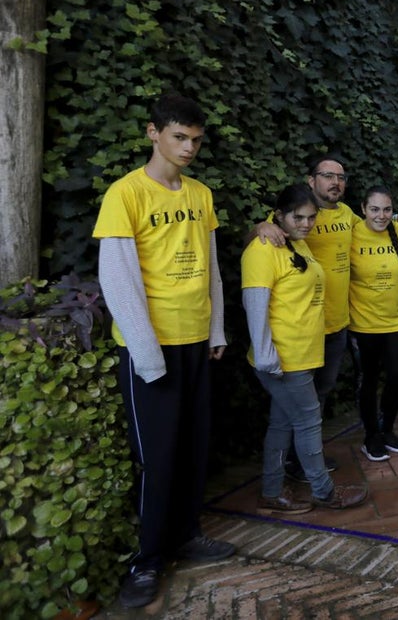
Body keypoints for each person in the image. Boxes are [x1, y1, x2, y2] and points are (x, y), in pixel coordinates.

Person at [93, 93, 235, 609]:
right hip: (153, 349)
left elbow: (210, 265)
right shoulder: (125, 194)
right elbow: (118, 280)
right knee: (158, 456)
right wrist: (148, 354)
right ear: (154, 133)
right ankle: (147, 560)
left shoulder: (201, 194)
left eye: (196, 139)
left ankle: (187, 534)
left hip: (197, 341)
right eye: (179, 137)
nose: (189, 148)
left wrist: (216, 329)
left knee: (195, 445)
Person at [252, 154, 398, 478]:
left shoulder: (348, 216)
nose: (335, 182)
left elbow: (375, 218)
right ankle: (288, 468)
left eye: (340, 177)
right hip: (299, 326)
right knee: (294, 406)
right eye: (327, 175)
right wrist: (260, 224)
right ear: (312, 180)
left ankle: (301, 462)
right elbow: (261, 239)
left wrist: (396, 215)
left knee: (320, 396)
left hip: (337, 325)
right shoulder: (297, 215)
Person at [242, 184, 368, 515]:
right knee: (309, 419)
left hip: (301, 353)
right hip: (284, 358)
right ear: (279, 215)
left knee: (282, 424)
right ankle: (324, 492)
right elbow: (255, 305)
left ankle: (271, 491)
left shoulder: (296, 243)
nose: (306, 224)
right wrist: (268, 357)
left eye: (311, 218)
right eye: (298, 217)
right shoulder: (263, 248)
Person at [349, 186, 398, 460]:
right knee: (367, 382)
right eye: (375, 209)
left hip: (395, 322)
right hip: (362, 324)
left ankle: (386, 428)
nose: (381, 215)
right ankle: (371, 437)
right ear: (363, 209)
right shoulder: (351, 232)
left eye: (387, 209)